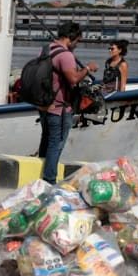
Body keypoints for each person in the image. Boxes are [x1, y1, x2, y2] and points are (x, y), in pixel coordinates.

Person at [37, 22, 97, 184]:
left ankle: (40, 177)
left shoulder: (47, 48)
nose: (77, 45)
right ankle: (49, 180)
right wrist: (87, 69)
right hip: (59, 108)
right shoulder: (66, 55)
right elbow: (73, 79)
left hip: (44, 105)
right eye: (78, 41)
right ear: (71, 38)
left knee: (46, 141)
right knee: (56, 145)